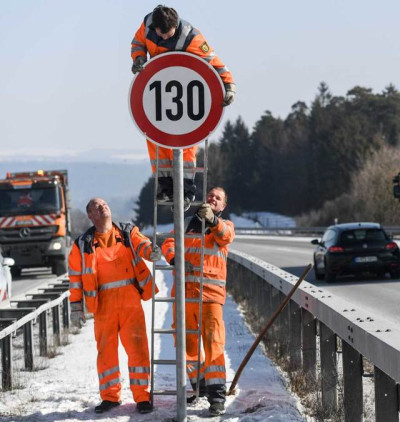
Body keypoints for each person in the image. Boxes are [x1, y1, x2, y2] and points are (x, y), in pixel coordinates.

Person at [131, 5, 236, 206]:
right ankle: (165, 187)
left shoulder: (192, 37)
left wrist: (229, 86)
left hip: (186, 97)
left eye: (168, 36)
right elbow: (137, 43)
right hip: (158, 92)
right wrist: (139, 59)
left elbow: (214, 62)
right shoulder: (147, 24)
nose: (163, 39)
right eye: (160, 35)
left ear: (175, 26)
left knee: (186, 146)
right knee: (155, 140)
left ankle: (186, 190)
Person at [67, 198, 161, 414]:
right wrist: (75, 305)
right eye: (96, 207)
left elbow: (143, 244)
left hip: (130, 301)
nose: (102, 207)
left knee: (138, 349)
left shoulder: (127, 232)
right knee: (106, 352)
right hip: (103, 305)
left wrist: (151, 252)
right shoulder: (82, 244)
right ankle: (110, 397)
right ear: (91, 216)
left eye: (104, 204)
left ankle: (142, 397)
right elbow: (74, 278)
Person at [162, 187, 234, 416]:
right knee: (185, 345)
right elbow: (169, 242)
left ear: (222, 207)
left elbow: (225, 236)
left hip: (210, 297)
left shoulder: (225, 226)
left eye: (218, 198)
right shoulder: (185, 224)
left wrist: (212, 220)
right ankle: (200, 385)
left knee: (214, 346)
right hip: (185, 295)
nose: (213, 198)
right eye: (211, 195)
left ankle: (217, 398)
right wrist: (174, 258)